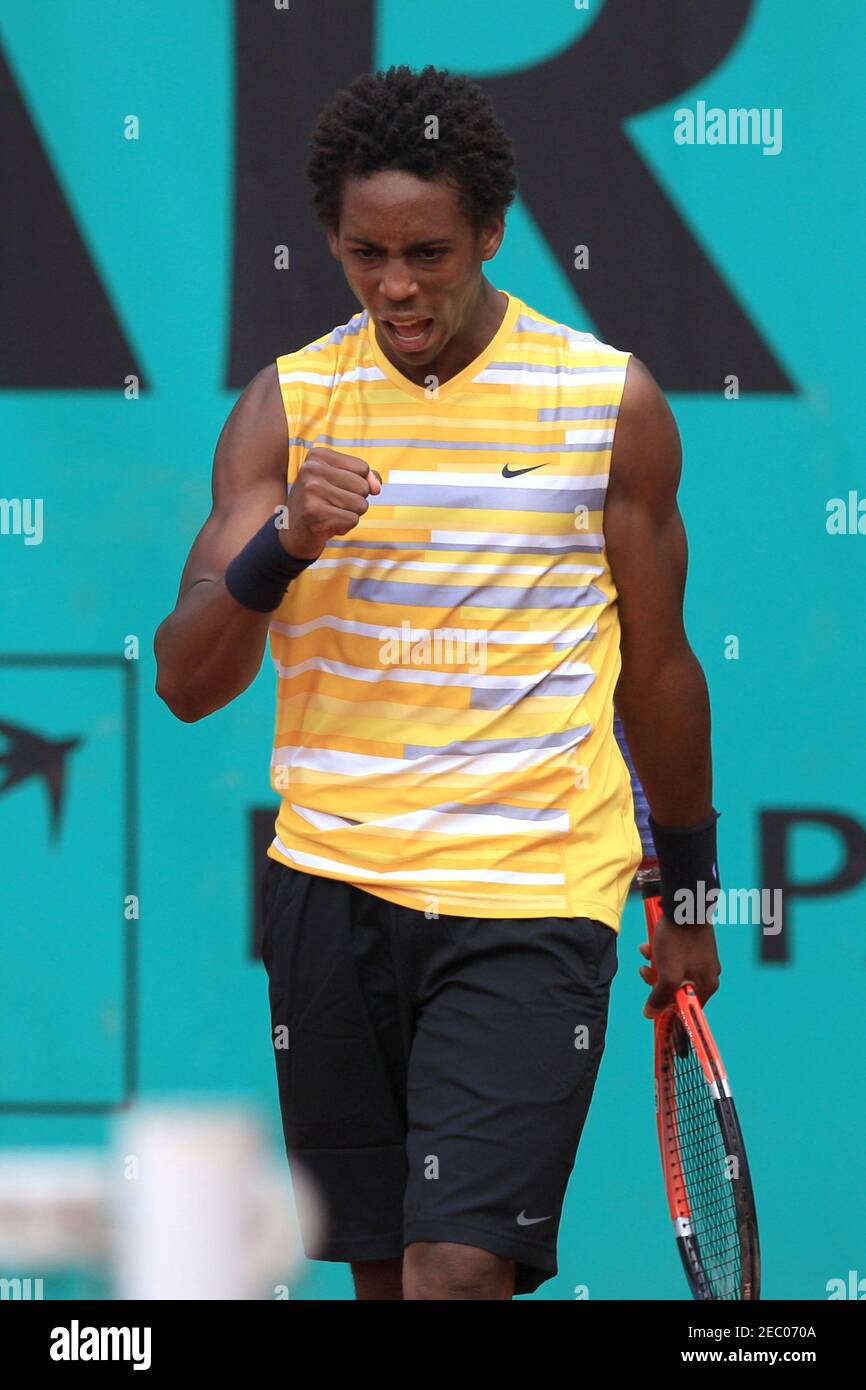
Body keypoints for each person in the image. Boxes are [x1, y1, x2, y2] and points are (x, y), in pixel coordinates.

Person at [154, 64, 722, 1301]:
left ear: (491, 234)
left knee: (455, 1270)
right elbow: (186, 680)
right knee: (381, 1281)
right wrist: (282, 545)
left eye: (428, 251)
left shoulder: (605, 403)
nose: (397, 286)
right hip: (331, 892)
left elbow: (660, 670)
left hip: (531, 890)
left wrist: (689, 894)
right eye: (365, 254)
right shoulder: (287, 407)